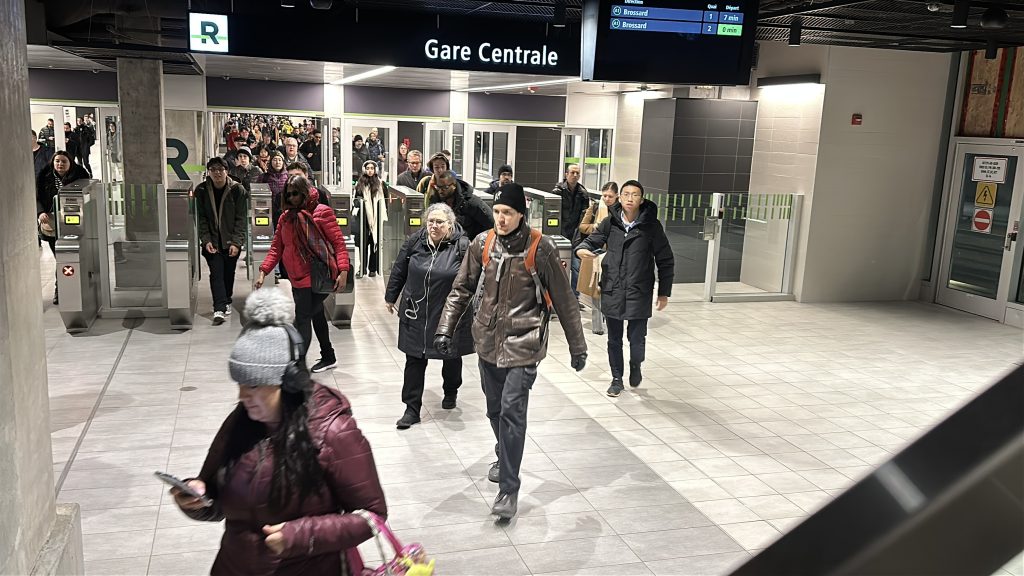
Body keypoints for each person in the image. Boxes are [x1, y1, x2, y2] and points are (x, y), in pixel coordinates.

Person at [170, 289, 387, 575]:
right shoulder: (240, 423)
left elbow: (372, 515)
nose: (243, 396)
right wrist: (197, 499)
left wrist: (302, 536)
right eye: (240, 384)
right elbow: (220, 504)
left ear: (288, 383)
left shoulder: (332, 430)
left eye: (255, 386)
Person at [434, 183, 587, 520]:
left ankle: (508, 489)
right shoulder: (482, 244)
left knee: (512, 413)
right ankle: (503, 453)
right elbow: (461, 289)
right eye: (498, 212)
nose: (501, 219)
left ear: (522, 215)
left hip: (525, 344)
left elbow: (564, 301)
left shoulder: (540, 248)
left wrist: (578, 347)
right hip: (487, 342)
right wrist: (445, 328)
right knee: (494, 412)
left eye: (508, 213)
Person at [576, 180, 674, 397]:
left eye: (635, 195)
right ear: (620, 197)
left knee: (637, 339)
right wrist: (581, 250)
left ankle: (636, 364)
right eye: (626, 194)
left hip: (639, 290)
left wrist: (664, 292)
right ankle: (616, 378)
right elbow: (593, 240)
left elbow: (665, 259)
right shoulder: (611, 223)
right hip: (613, 288)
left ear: (642, 199)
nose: (630, 198)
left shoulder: (651, 226)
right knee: (613, 338)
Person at [385, 203, 472, 430]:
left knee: (451, 355)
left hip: (447, 314)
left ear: (450, 225)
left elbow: (472, 279)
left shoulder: (462, 246)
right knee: (414, 359)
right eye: (431, 221)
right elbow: (399, 269)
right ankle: (411, 409)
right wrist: (390, 296)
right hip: (416, 311)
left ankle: (450, 390)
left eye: (439, 222)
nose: (433, 226)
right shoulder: (416, 241)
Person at [257, 175, 349, 372]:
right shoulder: (286, 217)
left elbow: (339, 243)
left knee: (302, 318)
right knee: (315, 314)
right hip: (295, 278)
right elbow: (276, 248)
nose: (291, 198)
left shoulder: (322, 212)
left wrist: (344, 270)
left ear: (305, 192)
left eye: (296, 194)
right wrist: (264, 270)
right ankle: (328, 356)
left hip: (316, 276)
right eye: (288, 194)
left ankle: (297, 366)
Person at [196, 157, 248, 325]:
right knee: (216, 272)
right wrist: (205, 240)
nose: (217, 173)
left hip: (230, 240)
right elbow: (201, 218)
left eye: (221, 169)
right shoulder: (202, 190)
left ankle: (226, 298)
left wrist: (236, 242)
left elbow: (241, 218)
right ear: (208, 172)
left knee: (228, 272)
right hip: (212, 241)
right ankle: (219, 307)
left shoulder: (237, 190)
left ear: (227, 171)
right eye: (213, 170)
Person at [37, 150, 89, 305]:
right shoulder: (44, 176)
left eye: (63, 161)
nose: (60, 164)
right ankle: (60, 290)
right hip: (52, 223)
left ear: (70, 163)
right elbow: (37, 196)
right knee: (61, 257)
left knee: (72, 256)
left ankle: (76, 287)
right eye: (57, 161)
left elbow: (88, 195)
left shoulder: (80, 175)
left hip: (74, 222)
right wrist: (40, 212)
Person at [553, 164, 590, 300]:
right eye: (572, 172)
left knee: (576, 266)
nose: (575, 175)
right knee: (559, 265)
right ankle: (558, 294)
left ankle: (574, 296)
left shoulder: (583, 193)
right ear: (566, 174)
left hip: (576, 234)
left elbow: (585, 216)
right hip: (560, 232)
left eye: (577, 173)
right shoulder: (558, 191)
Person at [423, 169, 493, 241]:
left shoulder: (471, 202)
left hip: (468, 245)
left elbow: (491, 224)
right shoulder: (435, 201)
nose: (440, 191)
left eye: (445, 188)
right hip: (443, 245)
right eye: (438, 187)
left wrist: (478, 244)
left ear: (454, 186)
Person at [354, 160, 388, 278]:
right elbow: (356, 201)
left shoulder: (380, 184)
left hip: (377, 218)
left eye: (372, 168)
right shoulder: (360, 184)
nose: (369, 170)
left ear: (375, 170)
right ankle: (361, 268)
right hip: (363, 220)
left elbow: (385, 201)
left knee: (375, 244)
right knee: (363, 245)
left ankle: (373, 268)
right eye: (367, 168)